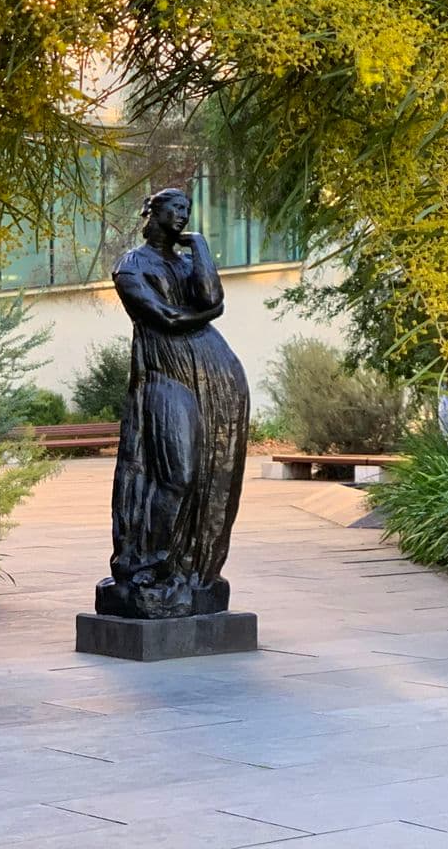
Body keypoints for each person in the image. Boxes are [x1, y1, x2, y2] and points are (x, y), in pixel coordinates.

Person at [96, 187, 250, 619]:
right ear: (151, 212)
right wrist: (208, 315)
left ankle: (194, 568)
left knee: (210, 474)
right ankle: (152, 561)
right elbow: (167, 317)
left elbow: (209, 295)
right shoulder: (131, 266)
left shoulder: (185, 261)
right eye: (173, 209)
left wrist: (200, 247)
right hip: (165, 375)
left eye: (186, 209)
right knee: (176, 474)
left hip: (216, 377)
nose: (181, 216)